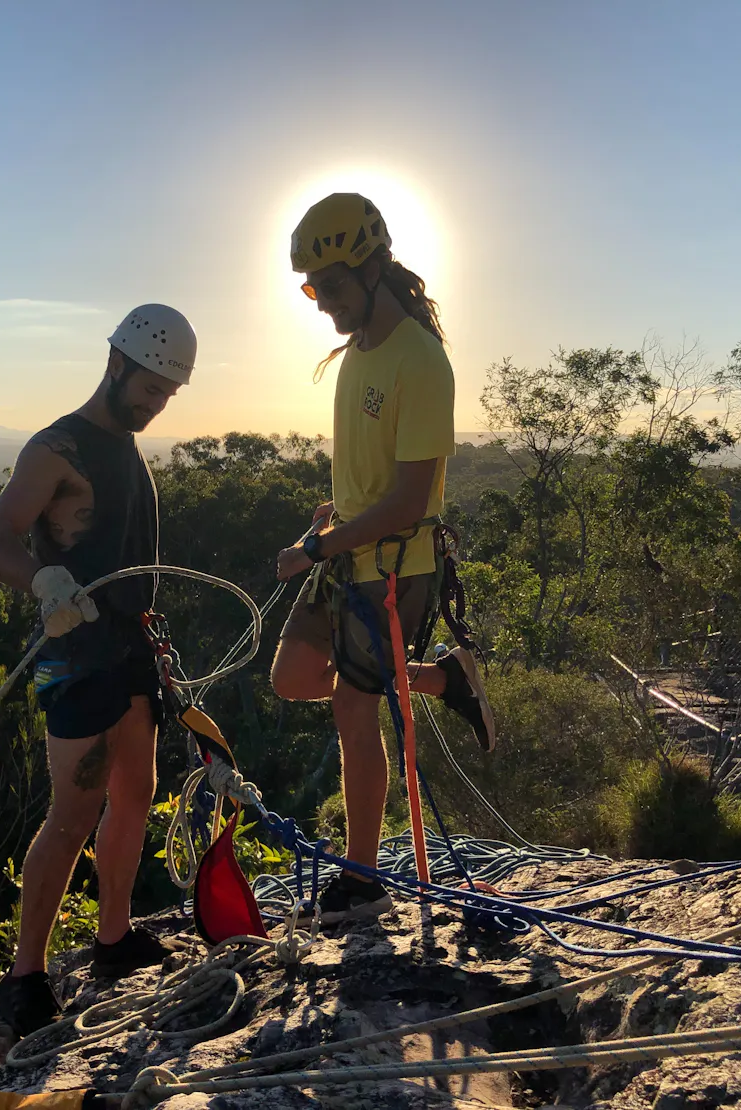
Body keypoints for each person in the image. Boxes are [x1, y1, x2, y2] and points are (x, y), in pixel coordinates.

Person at [270, 193, 495, 923]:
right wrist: (335, 518)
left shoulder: (420, 362)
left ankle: (362, 879)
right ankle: (439, 678)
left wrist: (319, 546)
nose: (320, 301)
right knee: (294, 678)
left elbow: (409, 500)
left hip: (396, 566)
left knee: (351, 707)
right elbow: (373, 480)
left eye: (329, 285)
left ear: (370, 266)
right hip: (350, 555)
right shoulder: (356, 355)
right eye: (312, 288)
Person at [0, 304, 196, 1036]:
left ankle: (112, 939)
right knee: (72, 815)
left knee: (138, 792)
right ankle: (24, 977)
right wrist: (42, 582)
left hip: (131, 646)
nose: (156, 404)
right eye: (151, 388)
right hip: (77, 655)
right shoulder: (57, 448)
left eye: (167, 394)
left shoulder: (126, 450)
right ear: (117, 363)